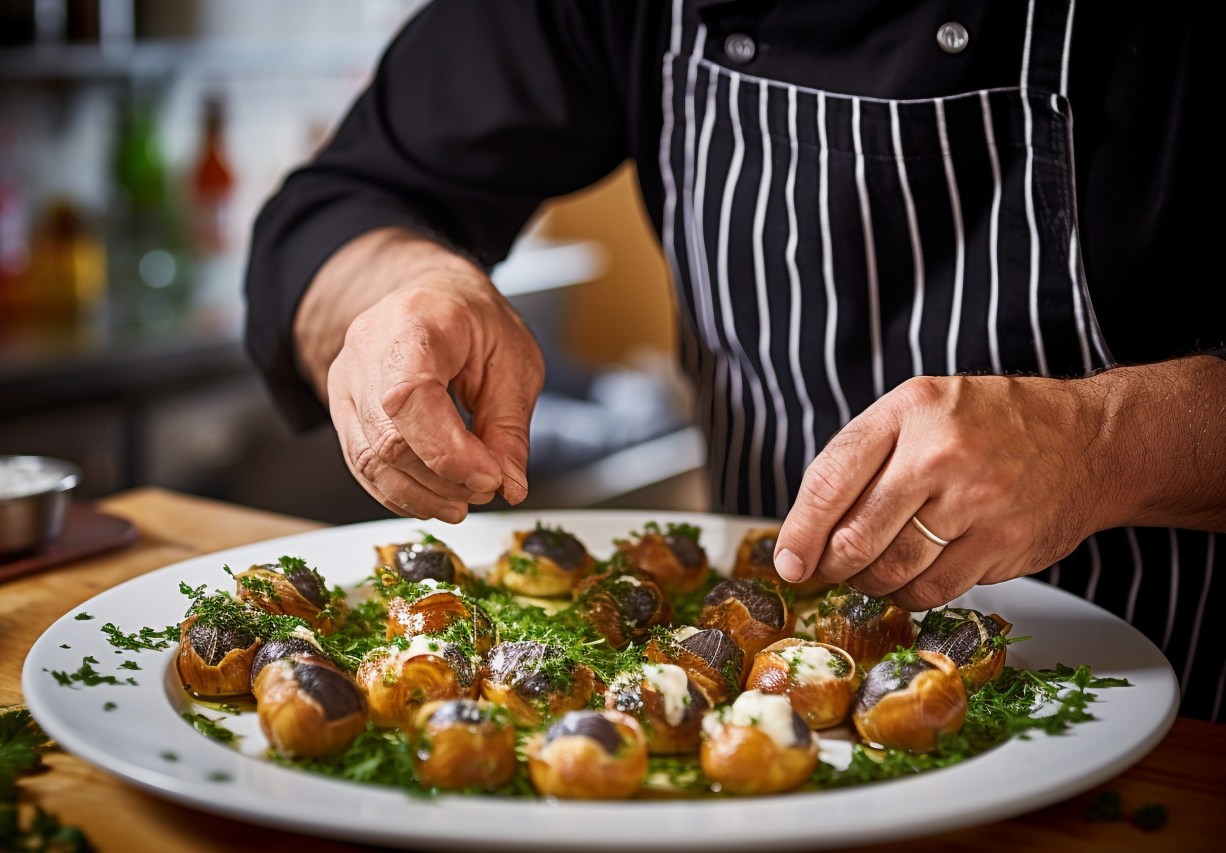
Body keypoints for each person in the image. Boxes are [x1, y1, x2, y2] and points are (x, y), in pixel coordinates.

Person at [245, 1, 1224, 720]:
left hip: (1178, 723)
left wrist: (1101, 443)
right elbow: (337, 208)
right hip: (749, 714)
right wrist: (400, 292)